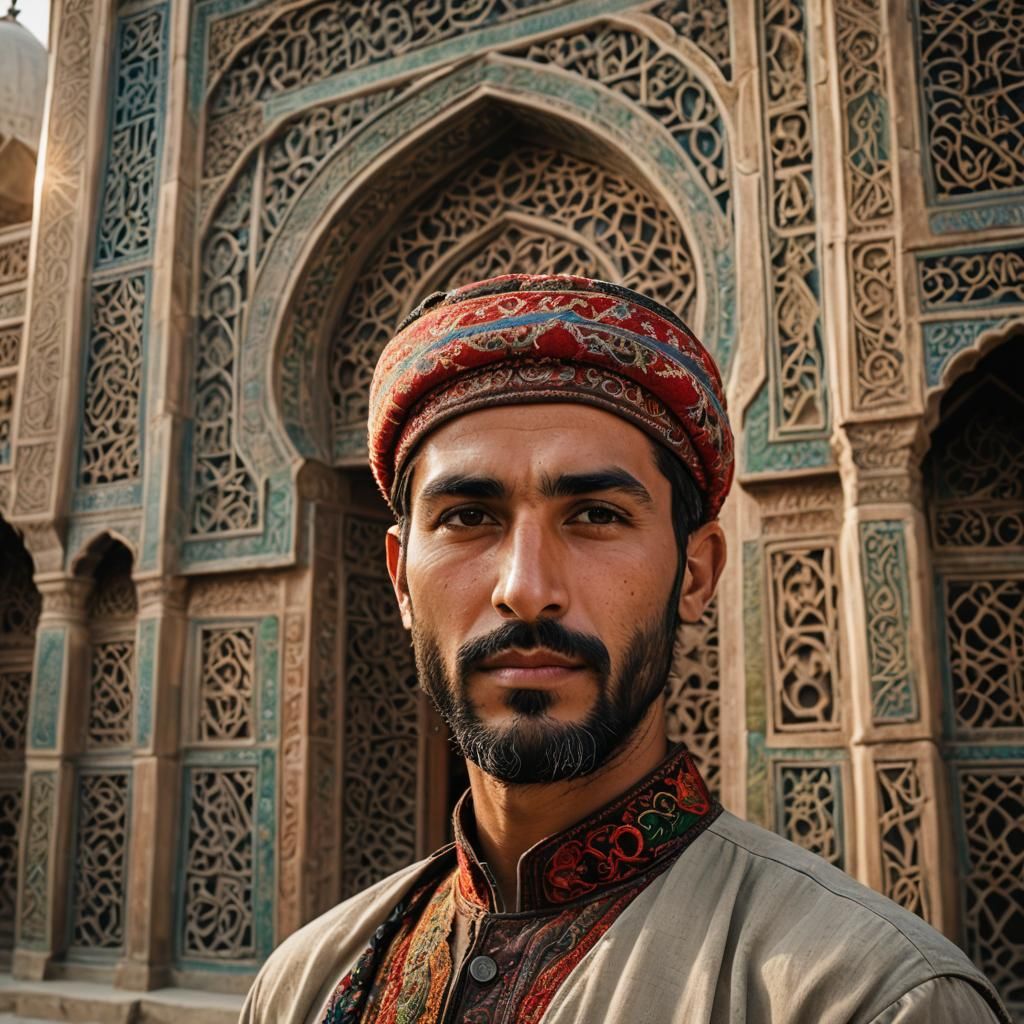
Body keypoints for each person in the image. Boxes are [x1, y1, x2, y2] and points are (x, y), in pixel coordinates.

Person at [241, 274, 1010, 1023]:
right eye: (469, 516)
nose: (526, 588)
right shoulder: (304, 984)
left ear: (696, 572)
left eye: (596, 516)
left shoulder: (866, 997)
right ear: (401, 581)